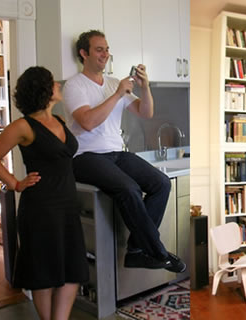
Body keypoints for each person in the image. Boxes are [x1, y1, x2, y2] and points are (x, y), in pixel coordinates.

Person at [63, 30, 186, 273]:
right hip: (85, 157)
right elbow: (87, 121)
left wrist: (145, 88)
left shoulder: (111, 83)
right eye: (99, 49)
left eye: (107, 50)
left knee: (161, 183)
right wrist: (118, 93)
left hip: (116, 154)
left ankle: (137, 250)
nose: (105, 55)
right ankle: (157, 252)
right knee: (129, 188)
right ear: (83, 53)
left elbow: (145, 112)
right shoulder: (74, 86)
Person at [0, 66, 88, 320]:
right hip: (40, 208)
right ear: (43, 89)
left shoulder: (61, 120)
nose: (59, 86)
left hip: (67, 204)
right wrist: (15, 183)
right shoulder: (23, 126)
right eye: (54, 83)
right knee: (44, 273)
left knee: (72, 268)